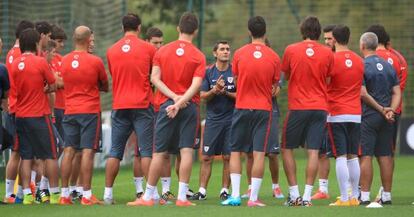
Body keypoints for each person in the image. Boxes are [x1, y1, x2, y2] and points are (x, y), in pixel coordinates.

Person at [128, 12, 205, 207]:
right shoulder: (198, 55)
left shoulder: (162, 51)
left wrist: (173, 99)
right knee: (186, 151)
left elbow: (154, 78)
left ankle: (147, 197)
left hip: (165, 106)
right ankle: (181, 198)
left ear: (178, 28)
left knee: (159, 153)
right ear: (195, 31)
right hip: (189, 107)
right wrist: (180, 101)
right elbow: (196, 86)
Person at [221, 16, 281, 207]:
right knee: (258, 153)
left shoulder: (238, 53)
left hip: (241, 107)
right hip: (264, 109)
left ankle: (236, 195)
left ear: (249, 32)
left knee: (236, 151)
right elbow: (275, 86)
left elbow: (236, 80)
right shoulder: (274, 56)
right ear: (266, 32)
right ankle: (253, 199)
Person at [281, 16, 334, 207]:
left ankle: (294, 194)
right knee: (313, 151)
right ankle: (306, 197)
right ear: (319, 32)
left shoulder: (291, 49)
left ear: (302, 31)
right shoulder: (328, 52)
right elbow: (329, 77)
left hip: (298, 107)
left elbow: (286, 75)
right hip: (320, 107)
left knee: (287, 148)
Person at [104, 13, 156, 205]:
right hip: (142, 104)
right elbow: (153, 75)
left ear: (122, 27)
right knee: (145, 151)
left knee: (115, 151)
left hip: (120, 105)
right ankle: (150, 195)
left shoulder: (111, 50)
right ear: (139, 28)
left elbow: (114, 73)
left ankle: (108, 194)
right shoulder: (149, 48)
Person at [59, 26, 108, 205]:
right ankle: (86, 195)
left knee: (69, 150)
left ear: (74, 39)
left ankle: (64, 195)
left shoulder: (64, 61)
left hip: (70, 110)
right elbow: (105, 85)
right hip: (89, 111)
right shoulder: (95, 61)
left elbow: (61, 82)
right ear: (88, 40)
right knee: (88, 151)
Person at [12, 28, 60, 205]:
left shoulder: (15, 64)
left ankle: (26, 195)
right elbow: (53, 85)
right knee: (51, 155)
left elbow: (14, 90)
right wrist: (45, 89)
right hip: (39, 115)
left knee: (26, 157)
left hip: (20, 116)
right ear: (35, 43)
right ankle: (55, 195)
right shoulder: (40, 62)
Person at [359, 32, 401, 205]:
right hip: (387, 117)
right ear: (376, 46)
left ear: (362, 46)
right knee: (385, 156)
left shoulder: (362, 65)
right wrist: (391, 109)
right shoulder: (388, 64)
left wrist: (381, 109)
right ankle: (387, 196)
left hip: (369, 115)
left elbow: (363, 93)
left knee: (366, 155)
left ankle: (366, 197)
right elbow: (397, 92)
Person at [190, 41, 234, 201]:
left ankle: (224, 190)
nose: (226, 52)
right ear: (215, 53)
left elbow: (241, 95)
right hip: (213, 121)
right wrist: (215, 90)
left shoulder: (235, 71)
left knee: (228, 157)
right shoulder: (208, 72)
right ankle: (202, 191)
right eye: (222, 49)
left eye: (228, 49)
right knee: (207, 157)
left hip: (231, 120)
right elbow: (202, 96)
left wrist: (226, 92)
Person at [325, 25, 363, 206]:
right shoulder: (358, 60)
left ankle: (345, 198)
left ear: (334, 38)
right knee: (353, 155)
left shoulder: (331, 59)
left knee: (340, 156)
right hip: (355, 113)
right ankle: (355, 196)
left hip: (336, 112)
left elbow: (325, 82)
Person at [3, 20, 35, 204]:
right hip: (19, 109)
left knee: (21, 153)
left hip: (15, 108)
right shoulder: (19, 55)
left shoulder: (11, 53)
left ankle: (19, 192)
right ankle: (14, 193)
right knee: (19, 153)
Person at [312, 24, 336, 200]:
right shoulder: (321, 56)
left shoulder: (341, 58)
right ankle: (323, 189)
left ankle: (354, 190)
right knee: (322, 151)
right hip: (323, 110)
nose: (327, 41)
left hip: (341, 111)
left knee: (348, 153)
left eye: (330, 38)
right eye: (325, 38)